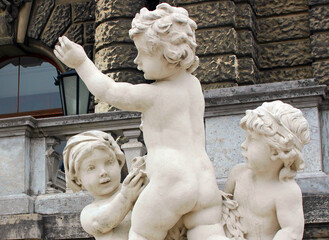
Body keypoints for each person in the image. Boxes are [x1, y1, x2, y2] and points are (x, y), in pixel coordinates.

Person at [55, 3, 228, 240]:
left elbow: (109, 91)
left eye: (142, 53)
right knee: (208, 233)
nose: (137, 61)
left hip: (172, 178)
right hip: (204, 178)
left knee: (142, 233)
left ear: (169, 55)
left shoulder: (154, 95)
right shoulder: (194, 86)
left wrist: (81, 63)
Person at [224, 101, 310, 240]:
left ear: (276, 151)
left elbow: (291, 232)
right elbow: (219, 208)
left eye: (251, 139)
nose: (243, 145)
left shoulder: (286, 191)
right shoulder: (238, 174)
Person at [63, 130, 146, 240]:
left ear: (119, 162)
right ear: (78, 180)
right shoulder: (90, 211)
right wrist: (125, 198)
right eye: (91, 168)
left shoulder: (137, 188)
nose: (103, 172)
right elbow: (100, 223)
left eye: (109, 162)